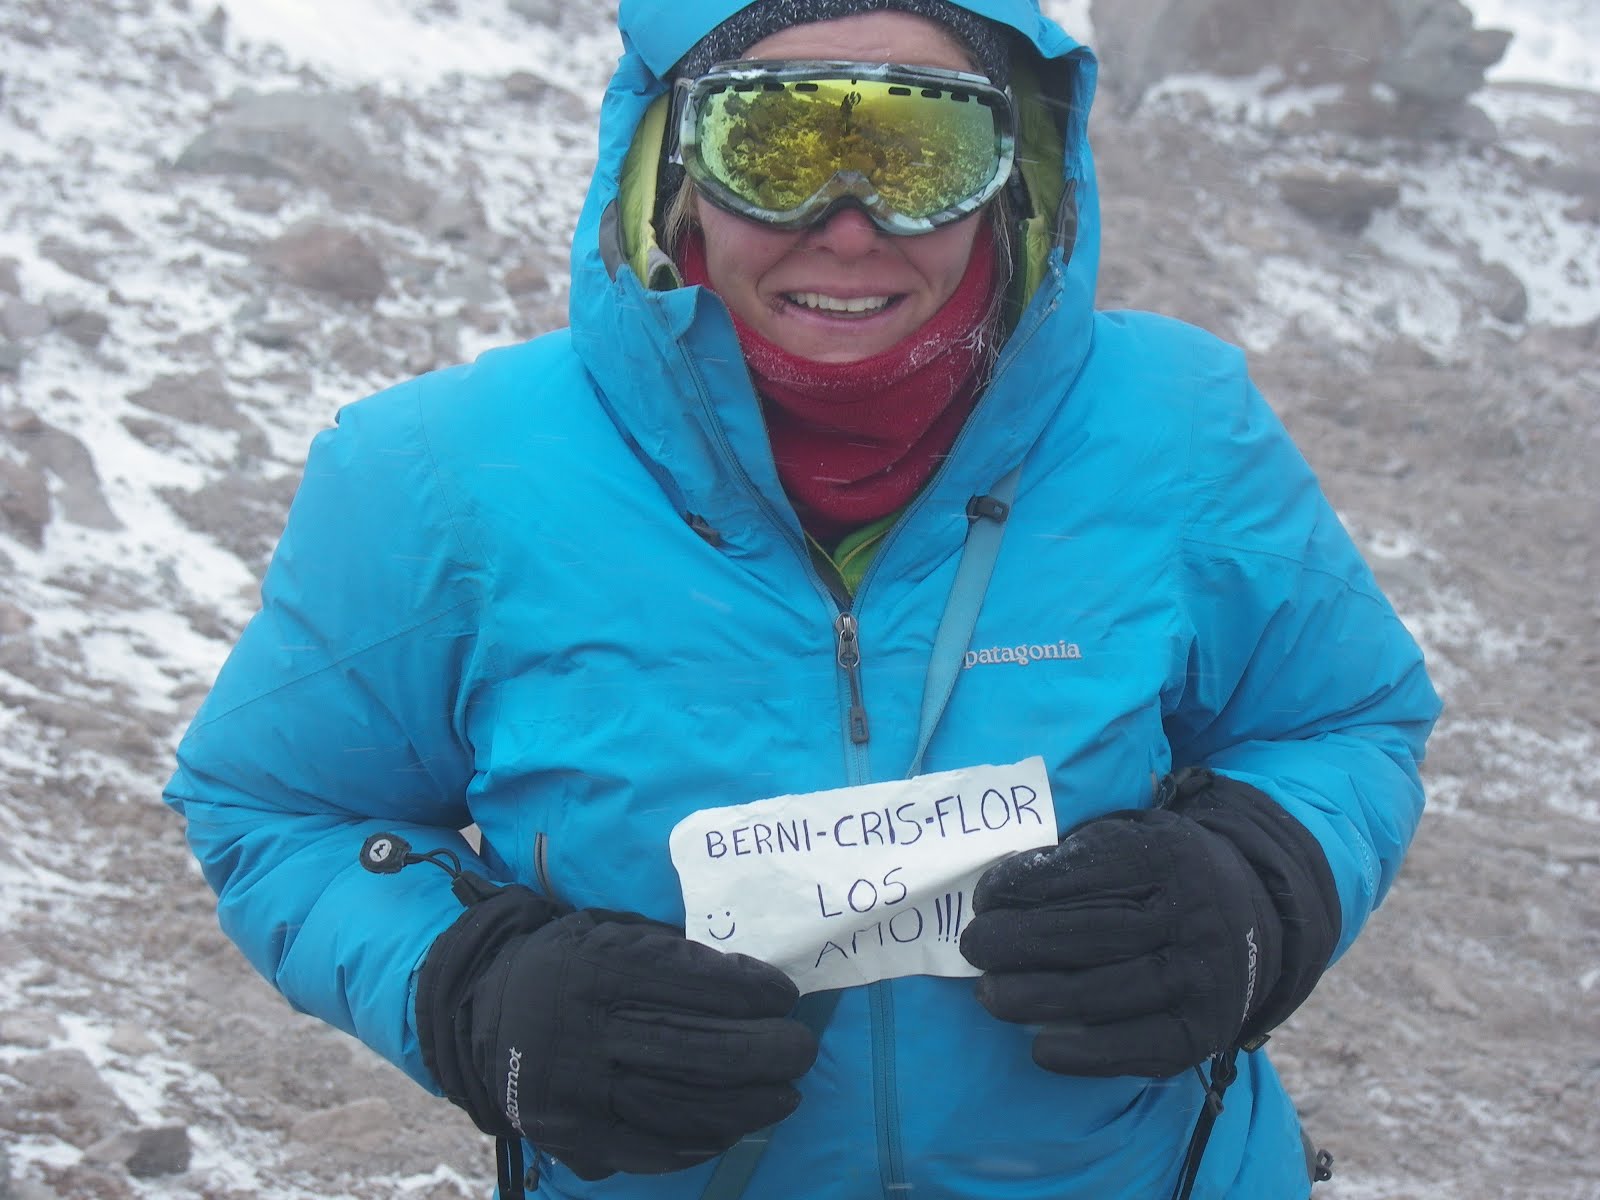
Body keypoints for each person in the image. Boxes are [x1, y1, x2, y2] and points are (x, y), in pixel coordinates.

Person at [164, 0, 1441, 1197]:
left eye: (920, 144)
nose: (847, 222)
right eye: (771, 143)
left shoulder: (1179, 425)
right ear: (673, 164)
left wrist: (1263, 886)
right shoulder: (439, 473)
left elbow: (1341, 718)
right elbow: (281, 806)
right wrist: (467, 989)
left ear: (1020, 175)